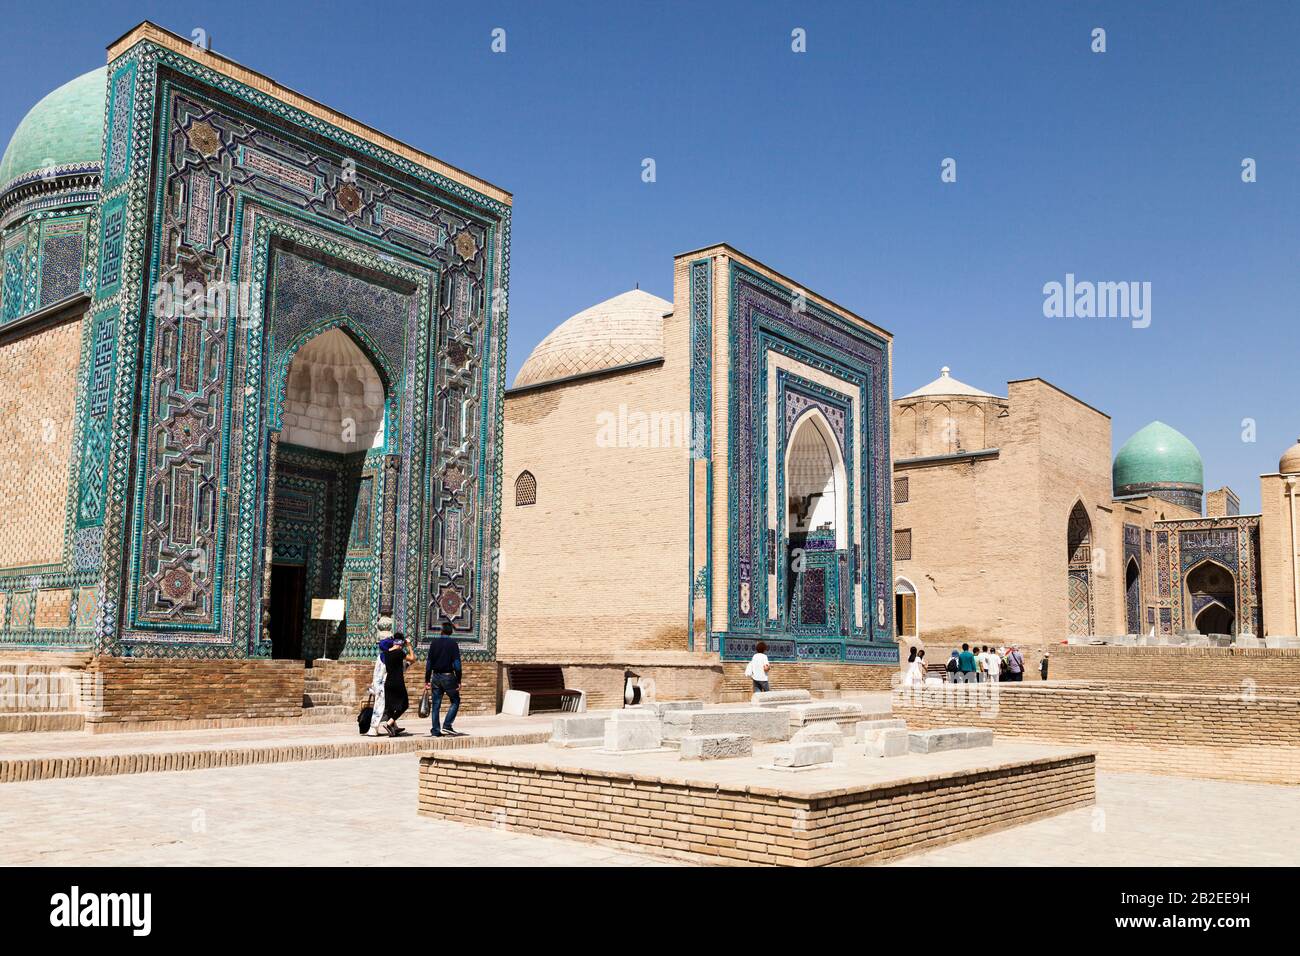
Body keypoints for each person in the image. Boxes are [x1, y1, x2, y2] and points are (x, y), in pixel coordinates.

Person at [424, 621, 464, 737]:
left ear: (441, 630)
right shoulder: (453, 644)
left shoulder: (434, 643)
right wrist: (459, 680)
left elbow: (429, 664)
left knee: (436, 705)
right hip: (448, 677)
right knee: (455, 701)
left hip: (435, 677)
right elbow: (457, 665)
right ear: (450, 632)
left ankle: (435, 730)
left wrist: (427, 680)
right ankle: (447, 725)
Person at [376, 632, 414, 737]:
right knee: (404, 704)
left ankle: (393, 729)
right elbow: (412, 658)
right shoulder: (399, 653)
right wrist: (409, 646)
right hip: (398, 682)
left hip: (388, 683)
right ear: (401, 643)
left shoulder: (386, 653)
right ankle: (389, 723)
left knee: (391, 707)